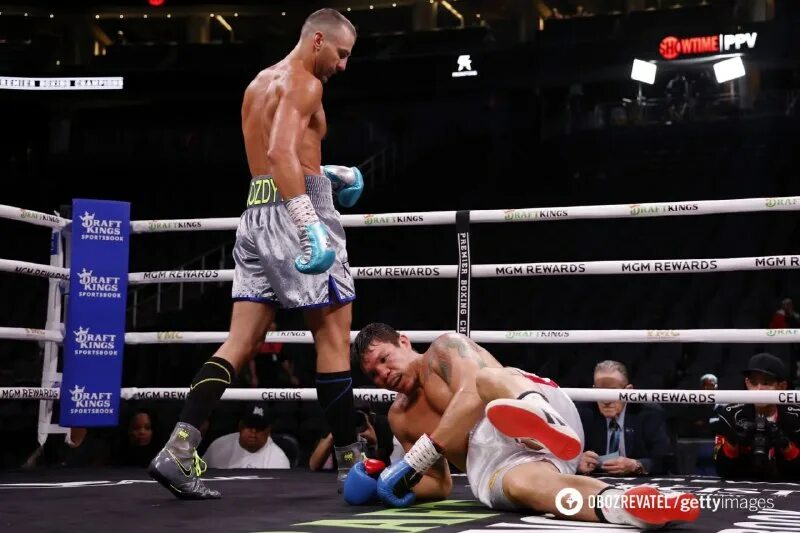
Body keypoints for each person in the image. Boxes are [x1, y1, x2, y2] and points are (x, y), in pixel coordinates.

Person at [149, 8, 364, 499]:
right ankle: (352, 466)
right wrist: (312, 226)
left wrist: (330, 174)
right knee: (332, 339)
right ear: (317, 41)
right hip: (295, 215)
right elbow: (282, 156)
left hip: (256, 216)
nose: (343, 65)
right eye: (341, 53)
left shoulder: (257, 84)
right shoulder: (306, 84)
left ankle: (179, 449)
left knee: (239, 341)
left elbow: (277, 160)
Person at [349, 323, 700, 528]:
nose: (383, 374)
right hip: (496, 462)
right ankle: (628, 508)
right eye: (373, 374)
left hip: (518, 401)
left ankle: (539, 417)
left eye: (384, 359)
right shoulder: (399, 416)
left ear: (405, 343)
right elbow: (438, 484)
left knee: (487, 379)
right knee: (526, 489)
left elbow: (473, 391)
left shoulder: (444, 349)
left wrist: (414, 460)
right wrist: (384, 485)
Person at [711, 352, 800, 480]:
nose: (759, 390)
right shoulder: (731, 414)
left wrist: (786, 446)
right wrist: (733, 442)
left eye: (766, 383)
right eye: (754, 383)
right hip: (745, 491)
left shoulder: (796, 416)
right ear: (747, 383)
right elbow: (722, 471)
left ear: (782, 386)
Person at [577, 361, 672, 476]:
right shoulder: (582, 412)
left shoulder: (649, 413)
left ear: (628, 391)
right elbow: (561, 456)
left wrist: (636, 465)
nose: (606, 401)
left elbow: (665, 461)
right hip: (593, 482)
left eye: (613, 392)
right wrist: (577, 461)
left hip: (638, 483)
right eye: (600, 391)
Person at [309, 400, 395, 470]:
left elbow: (386, 467)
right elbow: (314, 465)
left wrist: (373, 443)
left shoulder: (382, 425)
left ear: (371, 416)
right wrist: (332, 435)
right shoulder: (337, 423)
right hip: (342, 477)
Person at [203, 403, 291, 469]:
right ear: (240, 426)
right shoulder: (219, 446)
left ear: (268, 431)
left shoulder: (278, 460)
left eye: (259, 427)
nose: (253, 431)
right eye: (249, 425)